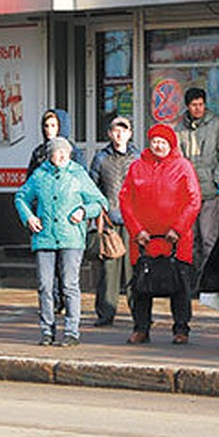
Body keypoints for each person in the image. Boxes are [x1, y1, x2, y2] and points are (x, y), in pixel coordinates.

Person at [15, 135, 108, 345]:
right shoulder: (40, 175)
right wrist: (29, 217)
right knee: (45, 286)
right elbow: (21, 197)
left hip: (71, 238)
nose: (62, 155)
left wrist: (83, 211)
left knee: (69, 285)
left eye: (65, 152)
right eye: (58, 152)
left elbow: (100, 203)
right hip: (44, 237)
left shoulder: (78, 174)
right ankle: (47, 330)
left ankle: (71, 332)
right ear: (50, 154)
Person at [120, 123, 201, 345]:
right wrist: (137, 230)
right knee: (141, 288)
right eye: (155, 141)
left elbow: (194, 200)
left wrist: (178, 229)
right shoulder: (137, 167)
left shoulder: (183, 166)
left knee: (180, 287)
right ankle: (141, 328)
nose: (158, 145)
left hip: (175, 239)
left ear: (171, 144)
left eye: (163, 142)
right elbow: (125, 199)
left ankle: (181, 328)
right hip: (144, 240)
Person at [174, 87, 219, 290]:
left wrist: (217, 179)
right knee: (190, 241)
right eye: (194, 105)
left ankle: (210, 283)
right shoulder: (179, 129)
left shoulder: (217, 125)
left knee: (209, 239)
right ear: (188, 106)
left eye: (201, 104)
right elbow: (176, 159)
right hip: (187, 195)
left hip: (210, 193)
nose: (198, 108)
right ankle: (192, 284)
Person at [88, 116, 137, 327]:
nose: (120, 134)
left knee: (134, 270)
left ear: (130, 133)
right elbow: (91, 186)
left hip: (134, 220)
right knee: (109, 270)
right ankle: (105, 313)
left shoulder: (137, 158)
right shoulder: (101, 158)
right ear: (109, 133)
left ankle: (140, 315)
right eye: (116, 131)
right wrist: (99, 209)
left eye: (124, 130)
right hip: (109, 220)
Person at [25, 108, 73, 176]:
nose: (49, 130)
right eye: (46, 126)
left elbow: (81, 178)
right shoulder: (39, 152)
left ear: (60, 127)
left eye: (53, 126)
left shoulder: (72, 151)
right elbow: (31, 178)